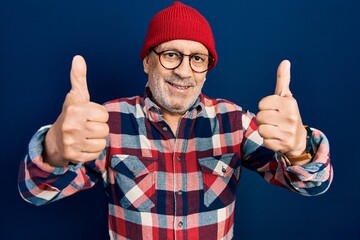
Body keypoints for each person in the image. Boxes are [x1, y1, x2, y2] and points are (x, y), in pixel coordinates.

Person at [18, 1, 333, 239]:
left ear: (207, 68)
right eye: (171, 54)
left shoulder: (235, 122)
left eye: (197, 59)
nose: (184, 71)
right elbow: (35, 192)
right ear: (147, 62)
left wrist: (298, 148)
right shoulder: (107, 122)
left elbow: (313, 185)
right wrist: (54, 150)